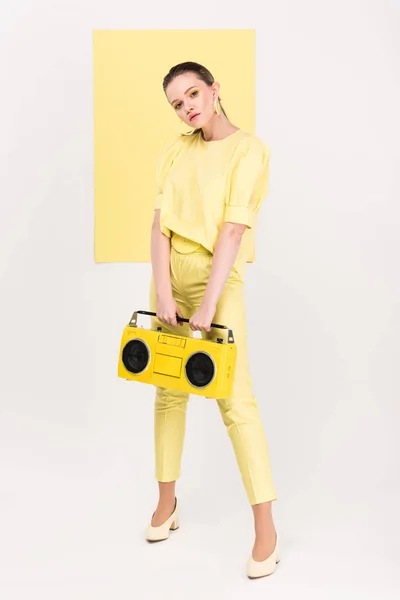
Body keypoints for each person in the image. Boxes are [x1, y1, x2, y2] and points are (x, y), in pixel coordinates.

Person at [147, 61, 280, 579]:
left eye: (193, 93)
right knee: (167, 391)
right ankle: (166, 504)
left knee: (236, 401)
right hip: (169, 281)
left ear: (215, 89)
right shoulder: (175, 152)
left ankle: (266, 529)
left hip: (217, 283)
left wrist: (206, 307)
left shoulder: (250, 150)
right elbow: (158, 227)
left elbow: (231, 232)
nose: (187, 107)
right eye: (177, 103)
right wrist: (163, 293)